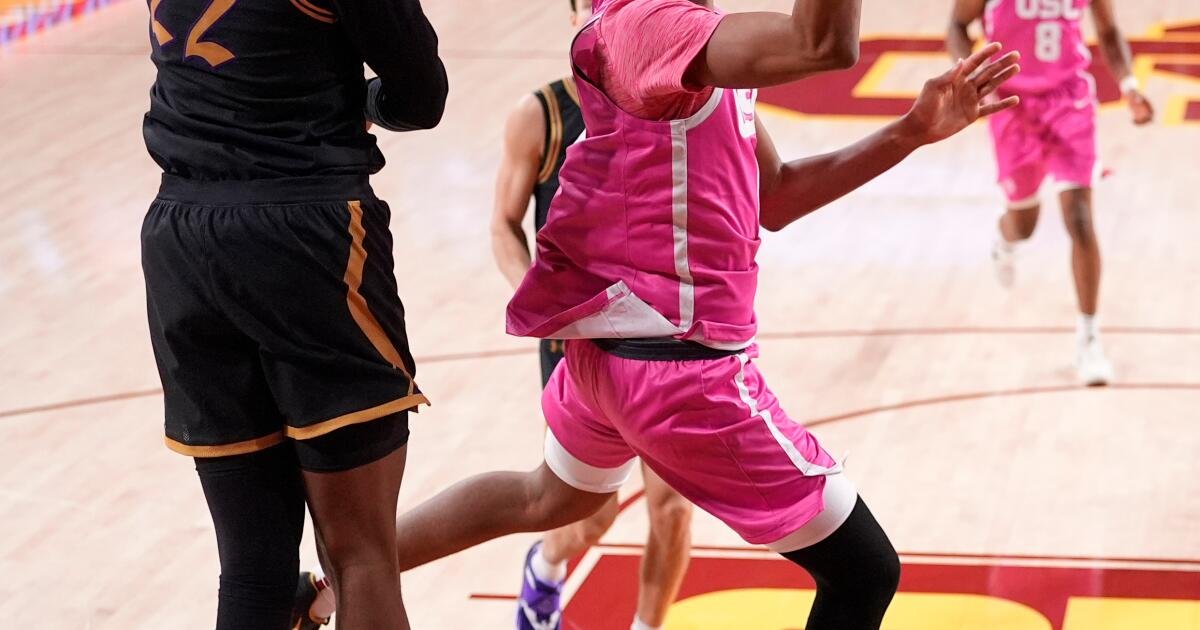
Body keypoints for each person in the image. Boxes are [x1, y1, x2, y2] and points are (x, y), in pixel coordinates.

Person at [390, 0, 1019, 628]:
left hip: (609, 360)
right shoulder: (654, 27)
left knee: (546, 497)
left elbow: (776, 195)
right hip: (682, 375)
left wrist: (909, 131)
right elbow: (821, 43)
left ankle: (350, 569)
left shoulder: (693, 39)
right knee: (865, 570)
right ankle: (361, 565)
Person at [139, 0, 446, 626]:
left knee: (253, 570)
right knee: (361, 556)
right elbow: (421, 96)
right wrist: (361, 100)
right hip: (306, 235)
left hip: (179, 239)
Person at [491, 2, 692, 628]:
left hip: (664, 331)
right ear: (576, 12)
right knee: (589, 513)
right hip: (578, 340)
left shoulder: (678, 101)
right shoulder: (543, 114)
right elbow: (503, 225)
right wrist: (535, 294)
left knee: (672, 508)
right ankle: (546, 566)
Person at [948, 0, 1153, 386]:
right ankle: (1004, 239)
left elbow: (1109, 31)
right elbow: (956, 27)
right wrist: (974, 80)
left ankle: (1089, 339)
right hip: (1010, 104)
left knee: (1080, 217)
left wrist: (1130, 87)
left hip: (1069, 100)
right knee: (1024, 224)